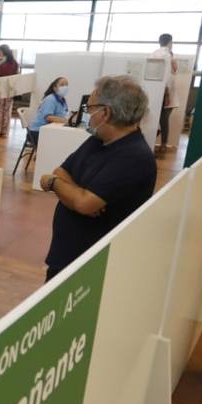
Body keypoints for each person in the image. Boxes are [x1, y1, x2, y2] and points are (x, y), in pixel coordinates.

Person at [40, 75, 156, 279]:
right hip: (68, 256)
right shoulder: (98, 140)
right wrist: (76, 193)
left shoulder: (133, 157)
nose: (88, 115)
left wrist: (51, 182)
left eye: (90, 109)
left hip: (91, 266)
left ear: (106, 113)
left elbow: (84, 203)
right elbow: (62, 170)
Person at [149, 33, 177, 152]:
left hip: (153, 91)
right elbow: (168, 76)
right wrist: (166, 94)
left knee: (154, 118)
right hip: (165, 92)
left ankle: (153, 143)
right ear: (170, 42)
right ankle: (163, 145)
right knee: (164, 120)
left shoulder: (153, 53)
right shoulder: (167, 55)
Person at [0, 44, 20, 139]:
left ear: (2, 51)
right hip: (10, 90)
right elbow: (17, 76)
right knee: (7, 111)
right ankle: (4, 132)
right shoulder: (15, 63)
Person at [29, 78, 70, 142]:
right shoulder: (51, 99)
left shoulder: (62, 100)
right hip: (38, 131)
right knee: (63, 141)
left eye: (66, 85)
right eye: (62, 85)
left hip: (49, 130)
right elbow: (48, 117)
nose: (65, 87)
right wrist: (66, 121)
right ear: (55, 88)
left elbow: (64, 114)